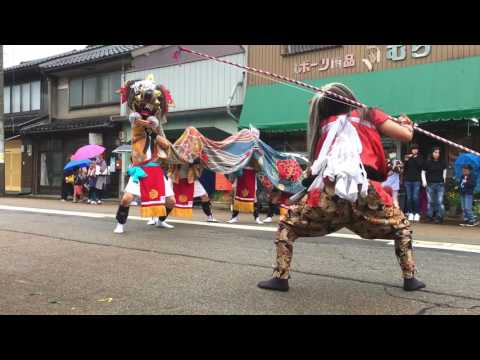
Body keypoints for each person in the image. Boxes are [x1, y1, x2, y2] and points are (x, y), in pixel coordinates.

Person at [257, 82, 425, 293]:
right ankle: (410, 278)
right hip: (366, 191)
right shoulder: (370, 114)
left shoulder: (326, 124)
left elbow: (316, 167)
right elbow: (406, 136)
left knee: (288, 225)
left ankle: (280, 277)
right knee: (401, 227)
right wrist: (408, 124)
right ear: (349, 97)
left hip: (331, 192)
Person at [114, 77, 176, 233]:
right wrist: (148, 124)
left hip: (156, 169)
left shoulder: (157, 128)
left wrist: (155, 133)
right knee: (127, 199)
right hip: (140, 168)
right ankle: (120, 224)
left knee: (171, 201)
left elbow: (166, 145)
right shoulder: (136, 126)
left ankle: (161, 221)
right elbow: (135, 120)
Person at [227, 158, 264, 225]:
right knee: (237, 197)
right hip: (240, 177)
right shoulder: (242, 153)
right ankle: (234, 217)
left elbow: (259, 168)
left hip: (251, 178)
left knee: (254, 199)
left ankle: (257, 218)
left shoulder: (256, 154)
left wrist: (255, 161)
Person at [422, 147, 447, 224]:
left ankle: (440, 217)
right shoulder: (427, 162)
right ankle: (430, 216)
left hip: (440, 184)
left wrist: (444, 180)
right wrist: (424, 181)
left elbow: (444, 171)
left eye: (438, 153)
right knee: (431, 201)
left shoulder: (442, 162)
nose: (437, 154)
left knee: (439, 201)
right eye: (435, 152)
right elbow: (423, 172)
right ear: (432, 153)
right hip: (430, 184)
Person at [403, 143, 423, 222]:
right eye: (413, 149)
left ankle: (417, 213)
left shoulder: (420, 157)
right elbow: (404, 167)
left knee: (415, 197)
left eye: (416, 149)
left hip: (416, 180)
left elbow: (420, 165)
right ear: (411, 150)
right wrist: (406, 160)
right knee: (409, 198)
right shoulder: (407, 157)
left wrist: (414, 158)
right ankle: (410, 212)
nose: (415, 150)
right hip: (408, 180)